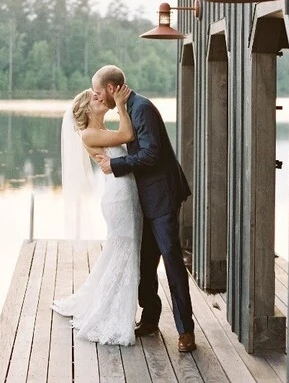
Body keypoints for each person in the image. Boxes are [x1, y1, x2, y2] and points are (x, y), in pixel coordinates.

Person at [92, 64, 196, 353]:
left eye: (99, 92)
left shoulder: (142, 109)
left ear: (112, 89)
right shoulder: (131, 108)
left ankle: (186, 331)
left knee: (172, 262)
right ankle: (150, 318)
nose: (98, 98)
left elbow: (151, 154)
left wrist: (115, 165)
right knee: (144, 262)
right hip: (144, 199)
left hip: (161, 196)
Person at [51, 84, 143, 346]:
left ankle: (113, 308)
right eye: (94, 97)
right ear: (85, 108)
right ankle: (112, 316)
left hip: (127, 194)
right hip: (119, 198)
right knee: (123, 252)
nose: (101, 97)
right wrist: (122, 105)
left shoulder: (101, 130)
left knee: (121, 252)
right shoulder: (89, 134)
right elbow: (127, 133)